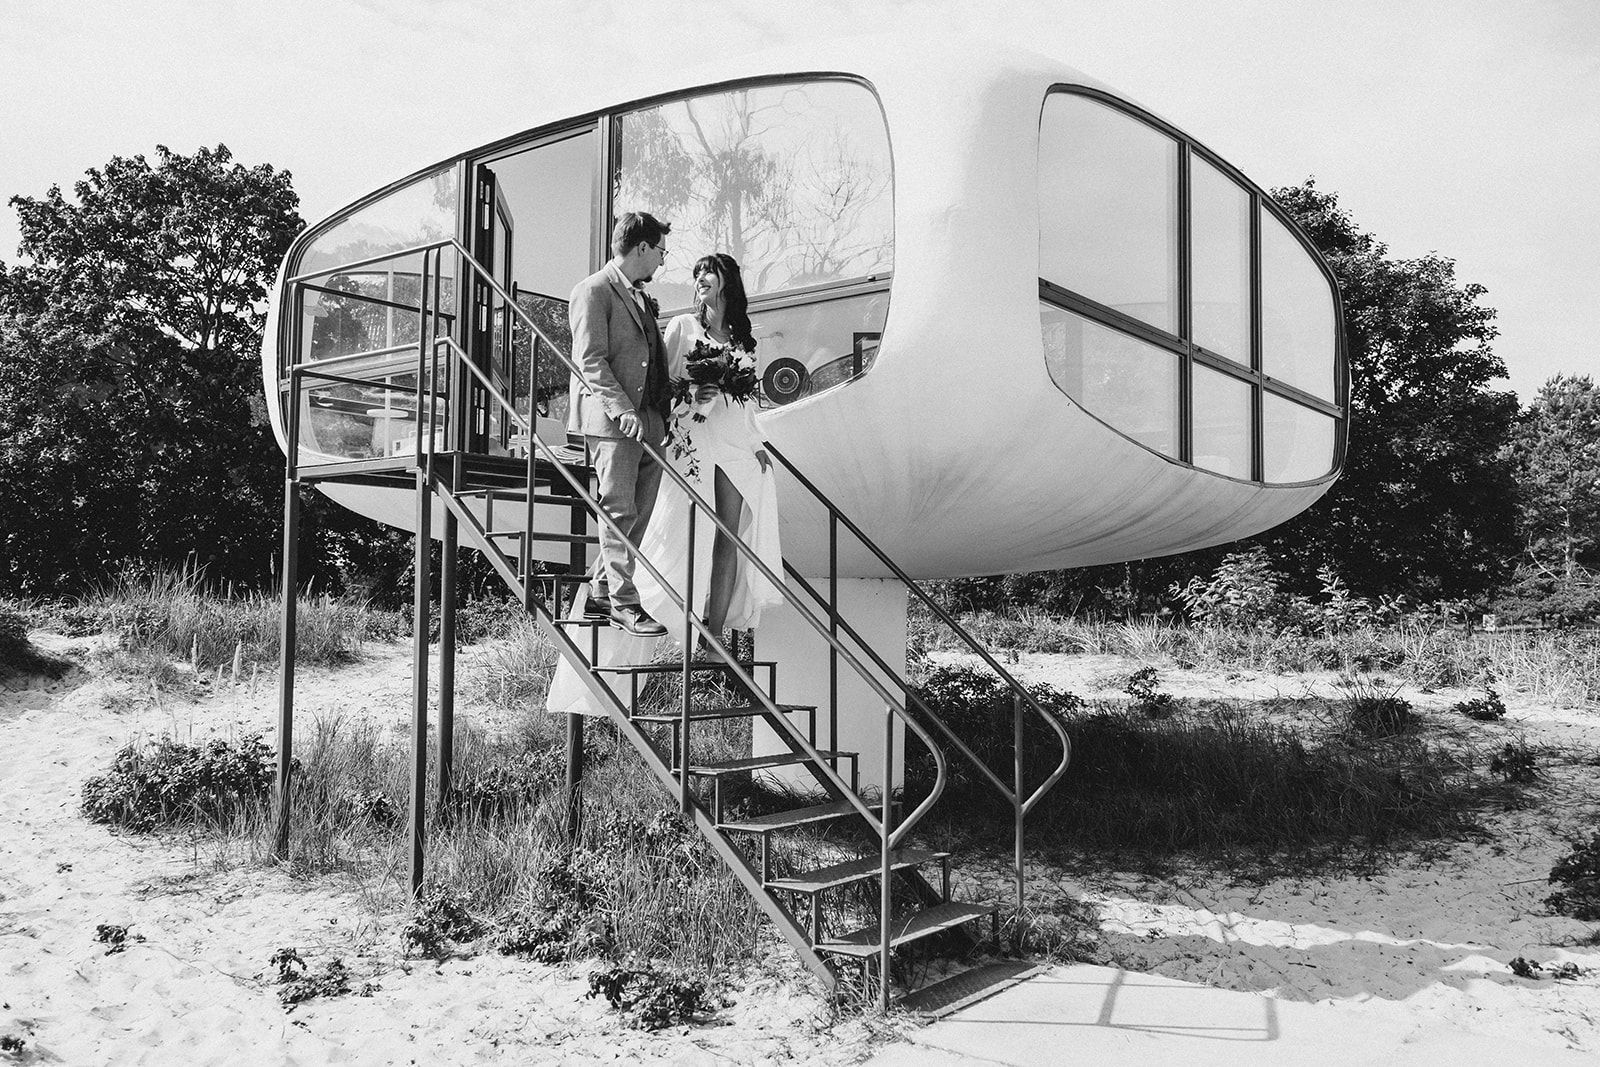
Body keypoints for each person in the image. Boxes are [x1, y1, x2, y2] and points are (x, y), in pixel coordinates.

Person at [636, 253, 784, 651]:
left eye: (709, 272)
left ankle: (714, 634)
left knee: (728, 538)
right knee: (688, 528)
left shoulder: (742, 339)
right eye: (697, 273)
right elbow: (661, 386)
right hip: (695, 439)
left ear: (726, 281)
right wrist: (693, 394)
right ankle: (662, 608)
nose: (701, 278)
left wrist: (757, 444)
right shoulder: (683, 326)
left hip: (735, 444)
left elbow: (748, 404)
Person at [566, 211, 673, 637]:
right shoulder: (593, 290)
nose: (662, 260)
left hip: (650, 420)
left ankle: (600, 589)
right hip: (614, 422)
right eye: (661, 251)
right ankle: (623, 603)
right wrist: (622, 409)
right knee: (618, 510)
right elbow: (590, 359)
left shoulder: (641, 297)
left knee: (640, 513)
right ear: (642, 247)